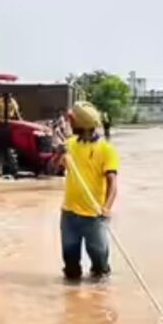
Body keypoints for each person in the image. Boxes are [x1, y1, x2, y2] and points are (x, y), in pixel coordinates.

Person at [54, 102, 119, 283]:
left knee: (100, 269)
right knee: (71, 267)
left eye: (72, 121)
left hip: (94, 216)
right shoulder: (69, 145)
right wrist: (58, 154)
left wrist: (106, 208)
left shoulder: (106, 149)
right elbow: (52, 170)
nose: (70, 125)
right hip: (69, 215)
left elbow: (112, 183)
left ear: (79, 124)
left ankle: (99, 300)